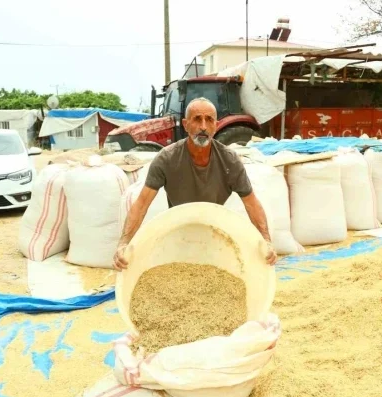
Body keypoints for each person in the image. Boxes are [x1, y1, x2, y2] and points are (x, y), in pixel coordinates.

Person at [113, 97, 277, 271]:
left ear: (216, 125)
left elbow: (251, 203)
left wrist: (266, 240)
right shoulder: (167, 159)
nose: (203, 127)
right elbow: (141, 204)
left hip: (214, 233)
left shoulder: (229, 161)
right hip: (179, 232)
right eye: (197, 119)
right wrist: (123, 243)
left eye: (209, 120)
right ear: (185, 124)